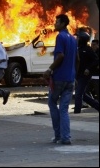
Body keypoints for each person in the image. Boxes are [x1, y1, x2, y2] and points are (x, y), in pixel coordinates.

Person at [43, 14, 79, 145]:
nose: (54, 24)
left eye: (57, 22)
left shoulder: (60, 37)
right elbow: (77, 59)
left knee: (52, 103)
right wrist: (74, 75)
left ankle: (58, 135)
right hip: (70, 79)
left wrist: (49, 69)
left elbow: (60, 56)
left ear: (63, 23)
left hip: (59, 78)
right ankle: (66, 137)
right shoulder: (74, 39)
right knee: (64, 109)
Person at [74, 32, 99, 113]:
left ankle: (76, 112)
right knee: (83, 95)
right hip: (78, 75)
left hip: (84, 76)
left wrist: (88, 68)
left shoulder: (87, 49)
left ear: (82, 39)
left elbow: (96, 60)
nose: (76, 39)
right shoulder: (78, 49)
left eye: (78, 38)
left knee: (78, 94)